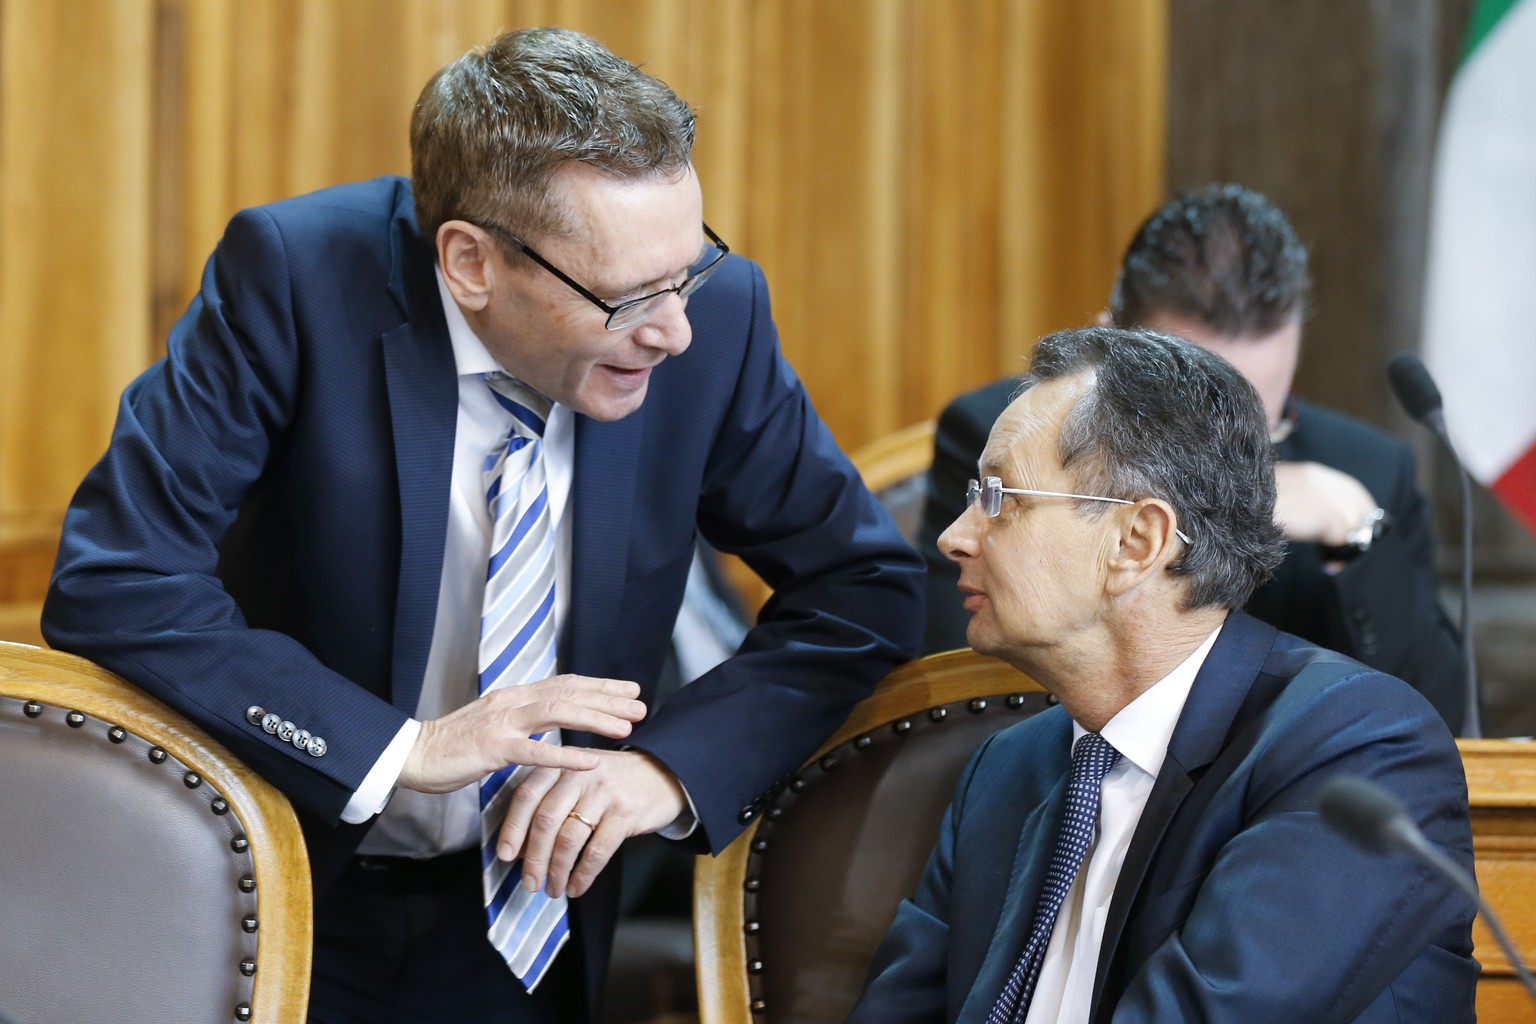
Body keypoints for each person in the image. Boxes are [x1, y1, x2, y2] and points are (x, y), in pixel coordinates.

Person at [41, 27, 924, 1024]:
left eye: (692, 268)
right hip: (278, 884)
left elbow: (864, 589)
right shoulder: (294, 280)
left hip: (528, 911)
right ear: (470, 262)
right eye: (629, 294)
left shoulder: (710, 330)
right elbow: (119, 577)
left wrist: (666, 769)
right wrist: (392, 749)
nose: (673, 327)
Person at [847, 326, 1476, 1024]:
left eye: (1000, 497)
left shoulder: (1357, 753)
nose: (954, 536)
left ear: (1135, 541)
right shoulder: (1004, 771)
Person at [919, 184, 1465, 732]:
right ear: (1109, 340)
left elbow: (1446, 724)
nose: (1224, 445)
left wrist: (1358, 539)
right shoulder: (1005, 435)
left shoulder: (1367, 467)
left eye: (1257, 416)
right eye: (1188, 399)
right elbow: (959, 692)